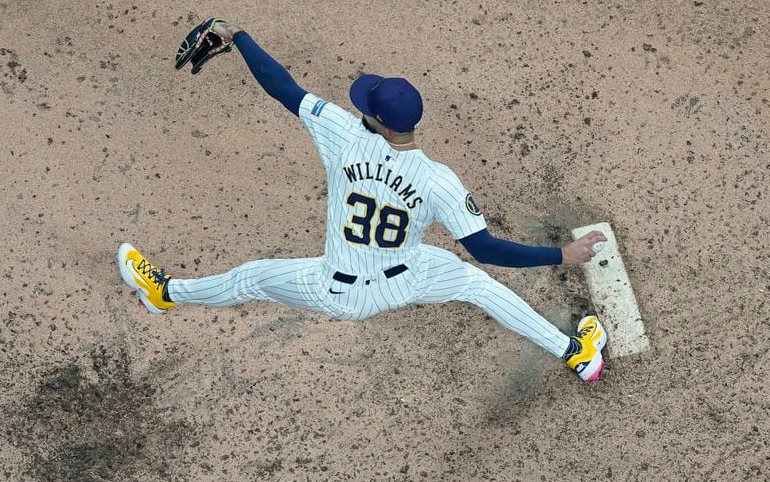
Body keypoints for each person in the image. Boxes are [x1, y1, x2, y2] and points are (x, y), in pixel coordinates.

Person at [117, 20, 609, 381]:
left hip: (337, 290)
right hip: (406, 278)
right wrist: (561, 256)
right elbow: (487, 249)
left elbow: (283, 87)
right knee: (477, 282)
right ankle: (578, 354)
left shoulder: (345, 135)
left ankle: (166, 294)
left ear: (376, 120)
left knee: (250, 278)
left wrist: (237, 35)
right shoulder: (439, 180)